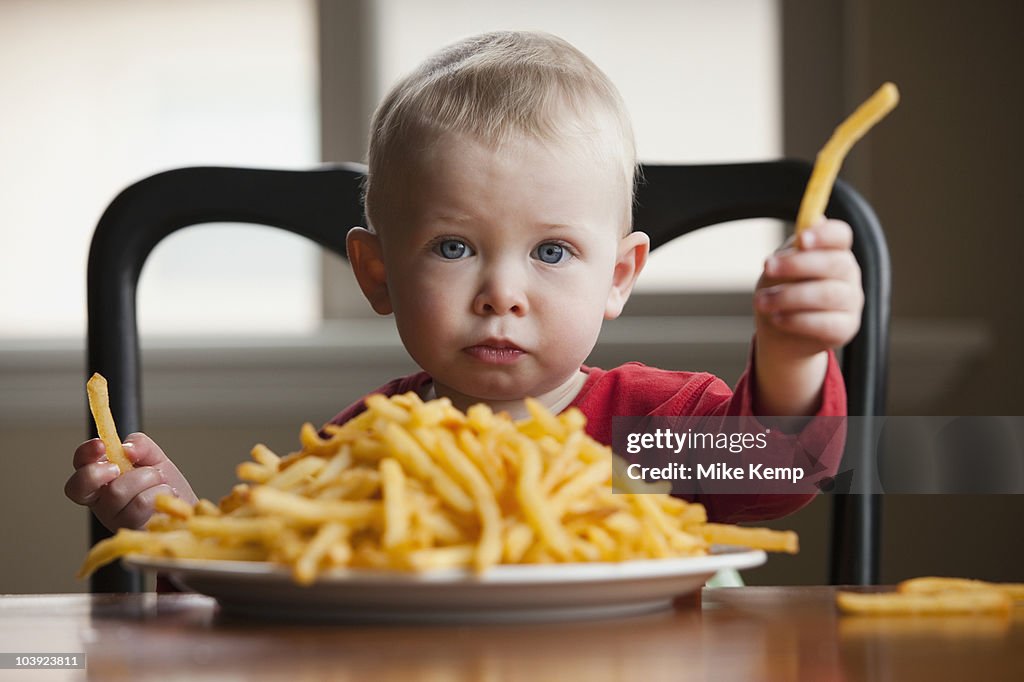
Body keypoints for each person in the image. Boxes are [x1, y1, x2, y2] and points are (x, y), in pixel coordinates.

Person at [65, 31, 862, 531]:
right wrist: (173, 520)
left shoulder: (638, 433)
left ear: (618, 277)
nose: (501, 294)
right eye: (453, 249)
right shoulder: (371, 446)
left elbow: (779, 468)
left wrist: (792, 351)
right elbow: (276, 584)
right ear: (379, 273)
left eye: (551, 253)